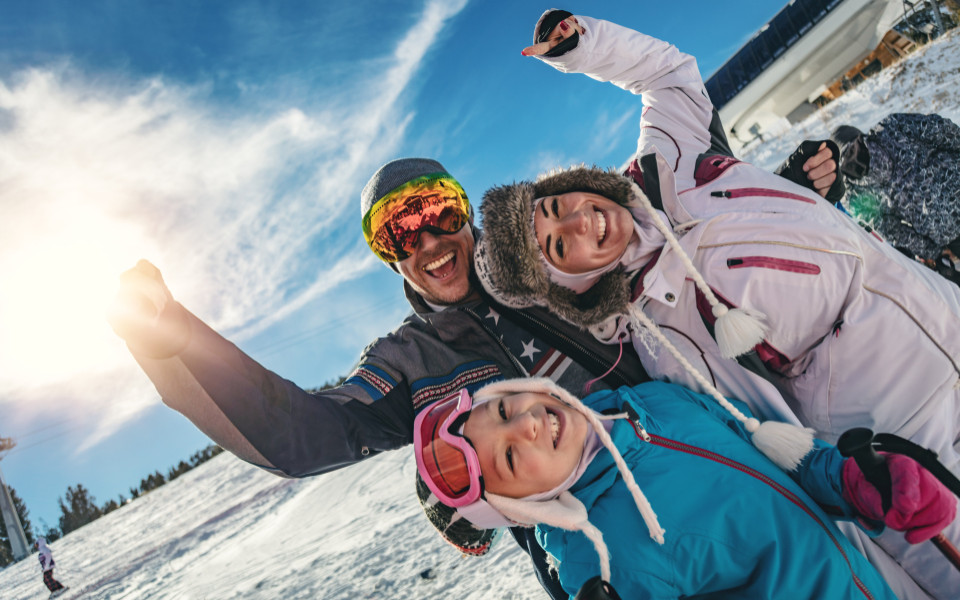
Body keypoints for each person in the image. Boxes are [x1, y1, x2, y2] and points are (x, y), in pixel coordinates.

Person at [107, 64, 841, 600]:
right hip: (617, 566)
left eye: (437, 211)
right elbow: (301, 434)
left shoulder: (543, 259)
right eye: (399, 231)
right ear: (388, 256)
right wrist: (172, 341)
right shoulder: (410, 361)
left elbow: (660, 239)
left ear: (466, 211)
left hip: (737, 478)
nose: (428, 241)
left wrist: (786, 194)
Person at [471, 10, 960, 599]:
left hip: (943, 306)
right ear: (568, 284)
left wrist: (582, 45)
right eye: (557, 246)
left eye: (553, 206)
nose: (579, 220)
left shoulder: (667, 168)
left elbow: (671, 73)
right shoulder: (661, 334)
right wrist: (867, 487)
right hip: (914, 439)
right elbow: (769, 431)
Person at [414, 377, 956, 598]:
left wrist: (852, 480)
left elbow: (777, 454)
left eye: (505, 408)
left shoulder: (650, 400)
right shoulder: (596, 567)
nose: (527, 423)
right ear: (520, 506)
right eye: (510, 456)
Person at [831, 113, 960, 285]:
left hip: (947, 231)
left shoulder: (852, 193)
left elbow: (893, 230)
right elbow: (942, 130)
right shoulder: (891, 127)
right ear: (859, 134)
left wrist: (935, 252)